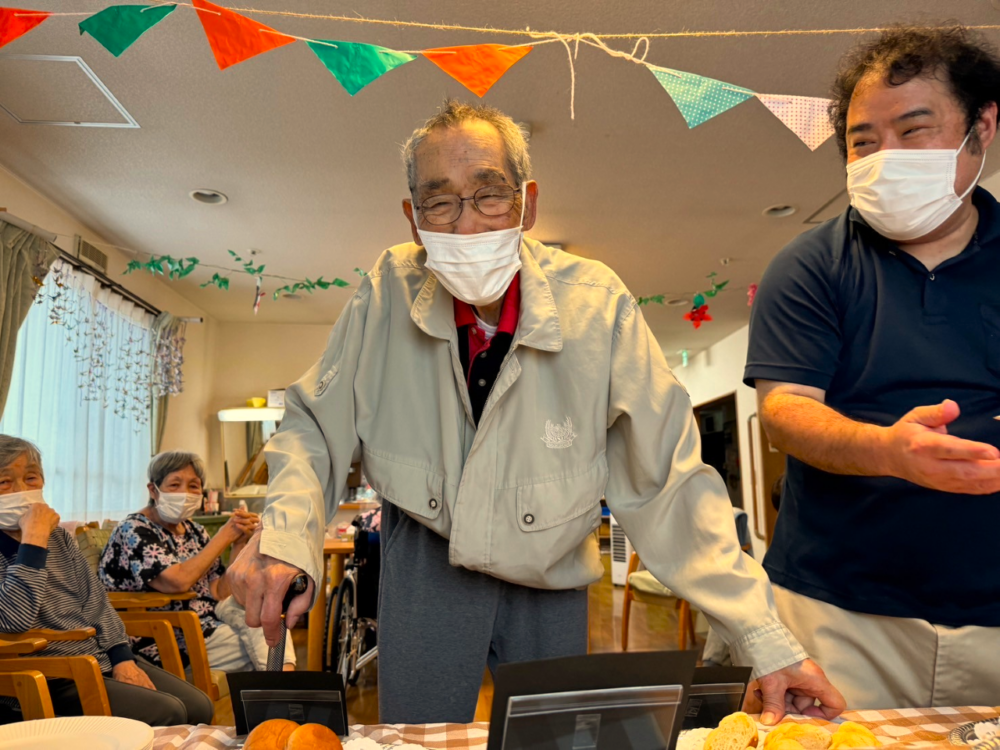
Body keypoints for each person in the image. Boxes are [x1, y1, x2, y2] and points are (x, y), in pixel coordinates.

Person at [228, 100, 844, 724]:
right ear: (414, 220)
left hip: (550, 566)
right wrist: (286, 536)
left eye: (490, 194)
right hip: (424, 561)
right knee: (415, 737)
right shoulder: (388, 287)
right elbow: (314, 427)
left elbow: (668, 482)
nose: (466, 226)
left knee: (553, 739)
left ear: (528, 203)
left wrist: (761, 635)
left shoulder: (598, 302)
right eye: (440, 202)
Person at [745, 24, 1000, 709]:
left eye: (914, 130)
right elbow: (785, 412)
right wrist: (887, 449)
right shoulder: (807, 267)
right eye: (863, 142)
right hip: (840, 613)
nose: (886, 157)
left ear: (983, 126)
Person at [0, 436, 212, 725]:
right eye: (4, 482)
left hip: (95, 658)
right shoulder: (41, 537)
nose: (22, 490)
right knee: (169, 712)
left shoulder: (60, 537)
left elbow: (97, 603)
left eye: (31, 478)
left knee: (200, 706)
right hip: (46, 673)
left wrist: (122, 657)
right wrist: (33, 541)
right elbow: (14, 620)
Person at [99, 451, 295, 673]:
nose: (184, 493)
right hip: (165, 635)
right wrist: (224, 536)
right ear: (153, 490)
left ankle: (281, 692)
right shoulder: (134, 529)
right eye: (174, 485)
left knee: (267, 619)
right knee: (269, 645)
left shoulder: (195, 531)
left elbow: (219, 591)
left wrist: (239, 543)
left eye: (193, 486)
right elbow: (176, 582)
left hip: (208, 623)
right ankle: (283, 694)